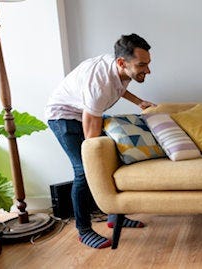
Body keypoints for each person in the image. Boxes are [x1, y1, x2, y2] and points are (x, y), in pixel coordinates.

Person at [45, 33, 156, 249]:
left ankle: (115, 217)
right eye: (142, 65)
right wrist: (95, 156)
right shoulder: (98, 84)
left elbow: (119, 86)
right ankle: (83, 230)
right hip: (64, 117)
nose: (148, 70)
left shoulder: (117, 66)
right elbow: (91, 128)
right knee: (85, 171)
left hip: (86, 111)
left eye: (148, 64)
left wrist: (139, 102)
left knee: (114, 161)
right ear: (122, 62)